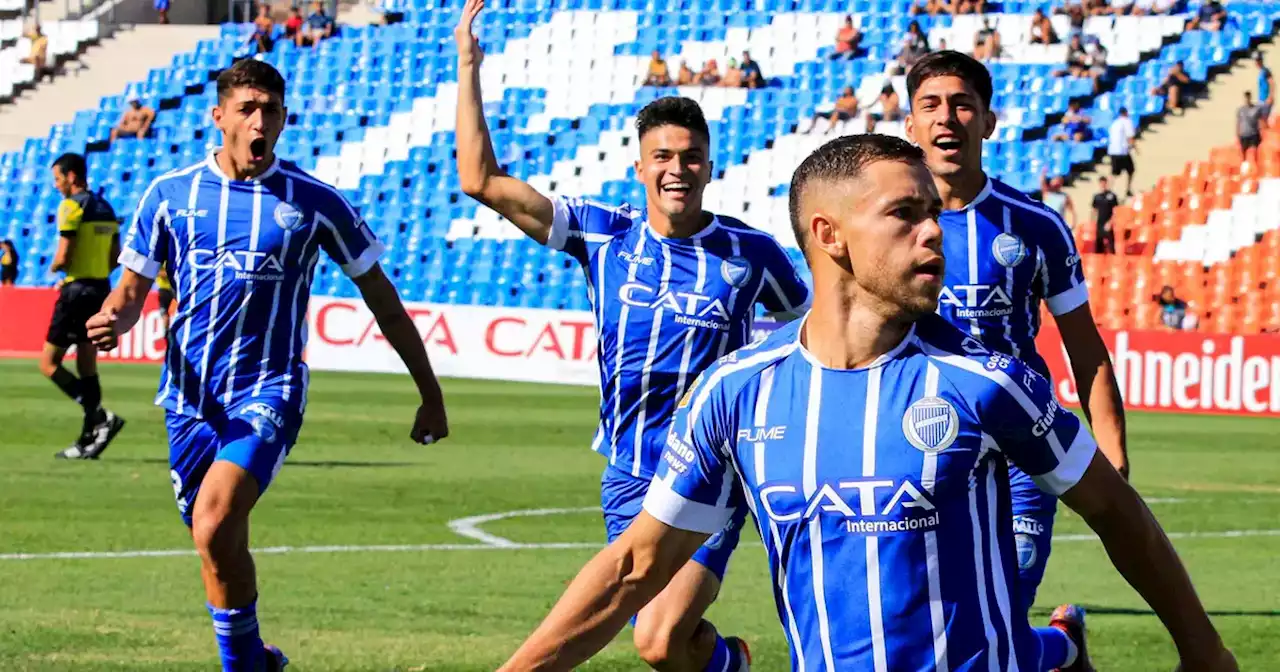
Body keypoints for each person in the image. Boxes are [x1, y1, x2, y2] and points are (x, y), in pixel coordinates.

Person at [497, 133, 1239, 672]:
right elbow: (635, 566)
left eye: (933, 215)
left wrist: (1204, 650)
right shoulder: (734, 393)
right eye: (905, 215)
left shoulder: (987, 380)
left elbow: (1115, 509)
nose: (933, 234)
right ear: (831, 237)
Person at [453, 0, 810, 668]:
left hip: (711, 470)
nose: (678, 168)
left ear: (710, 166)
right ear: (640, 168)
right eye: (663, 156)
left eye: (692, 157)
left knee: (652, 638)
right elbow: (480, 180)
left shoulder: (751, 253)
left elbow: (811, 330)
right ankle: (728, 662)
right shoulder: (603, 234)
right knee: (668, 646)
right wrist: (468, 66)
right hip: (627, 470)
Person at [85, 59, 450, 672]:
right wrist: (116, 319)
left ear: (284, 118)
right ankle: (253, 658)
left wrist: (429, 391)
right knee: (218, 547)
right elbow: (129, 292)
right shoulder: (170, 194)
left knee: (215, 518)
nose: (260, 121)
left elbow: (381, 298)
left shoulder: (314, 201)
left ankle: (238, 666)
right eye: (248, 108)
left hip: (269, 388)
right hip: (189, 398)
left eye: (271, 110)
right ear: (219, 115)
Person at [903, 51, 1129, 669]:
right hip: (918, 446)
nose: (947, 117)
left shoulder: (1034, 225)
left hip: (1021, 448)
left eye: (962, 104)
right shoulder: (887, 224)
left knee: (1002, 612)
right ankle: (1063, 646)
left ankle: (1047, 641)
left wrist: (1113, 465)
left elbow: (1086, 350)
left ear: (988, 121)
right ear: (910, 126)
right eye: (931, 106)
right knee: (935, 622)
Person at [41, 152, 126, 460]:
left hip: (75, 291)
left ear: (72, 176)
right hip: (100, 289)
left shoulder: (71, 206)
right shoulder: (106, 207)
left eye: (58, 179)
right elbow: (115, 256)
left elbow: (63, 256)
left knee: (49, 364)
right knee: (87, 365)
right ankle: (89, 437)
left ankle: (100, 416)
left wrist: (54, 270)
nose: (56, 185)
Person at [1108, 107, 1136, 196]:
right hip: (1122, 151)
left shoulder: (1114, 123)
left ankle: (1109, 190)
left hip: (1113, 150)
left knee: (1114, 172)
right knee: (1131, 170)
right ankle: (1128, 189)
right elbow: (1130, 136)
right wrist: (1135, 147)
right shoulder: (1127, 121)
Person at [1091, 176, 1119, 254]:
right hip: (1099, 224)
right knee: (1098, 246)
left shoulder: (1112, 196)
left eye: (1104, 183)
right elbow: (1094, 210)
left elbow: (1115, 211)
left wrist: (1110, 222)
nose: (1103, 185)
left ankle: (1112, 263)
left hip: (1108, 224)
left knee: (1111, 246)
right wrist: (1092, 221)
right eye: (1101, 183)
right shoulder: (1097, 197)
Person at [1237, 91, 1265, 161]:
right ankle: (1245, 166)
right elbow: (1238, 122)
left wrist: (1262, 131)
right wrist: (1238, 133)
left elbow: (1261, 120)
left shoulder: (1256, 109)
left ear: (1250, 98)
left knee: (1255, 152)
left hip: (1254, 134)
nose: (1247, 100)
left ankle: (1256, 166)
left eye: (1248, 98)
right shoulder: (1241, 110)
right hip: (1244, 134)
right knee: (1243, 153)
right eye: (1246, 98)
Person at [156, 264, 174, 336]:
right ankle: (167, 331)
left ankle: (168, 331)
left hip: (168, 290)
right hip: (166, 290)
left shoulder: (159, 259)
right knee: (164, 313)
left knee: (165, 313)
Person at [1256, 52, 1274, 121]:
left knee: (1264, 119)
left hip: (1265, 99)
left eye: (1258, 60)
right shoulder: (1261, 71)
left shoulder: (1266, 71)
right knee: (1260, 119)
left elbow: (1272, 83)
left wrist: (1270, 97)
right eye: (1256, 60)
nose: (1257, 62)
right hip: (1261, 99)